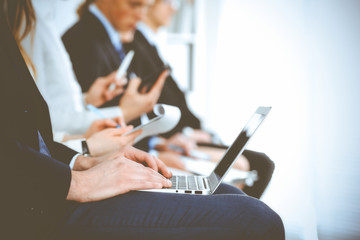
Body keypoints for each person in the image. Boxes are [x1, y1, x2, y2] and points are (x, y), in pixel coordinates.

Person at [0, 0, 284, 239]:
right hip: (38, 199)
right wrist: (80, 176)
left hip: (60, 166)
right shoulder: (76, 35)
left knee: (229, 191)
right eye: (136, 5)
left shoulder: (25, 18)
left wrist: (82, 159)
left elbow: (29, 133)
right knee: (255, 216)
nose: (143, 14)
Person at [21, 0, 168, 139]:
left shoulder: (43, 16)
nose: (141, 16)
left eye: (147, 7)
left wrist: (86, 100)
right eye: (134, 4)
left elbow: (58, 105)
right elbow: (39, 119)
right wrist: (124, 113)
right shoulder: (82, 39)